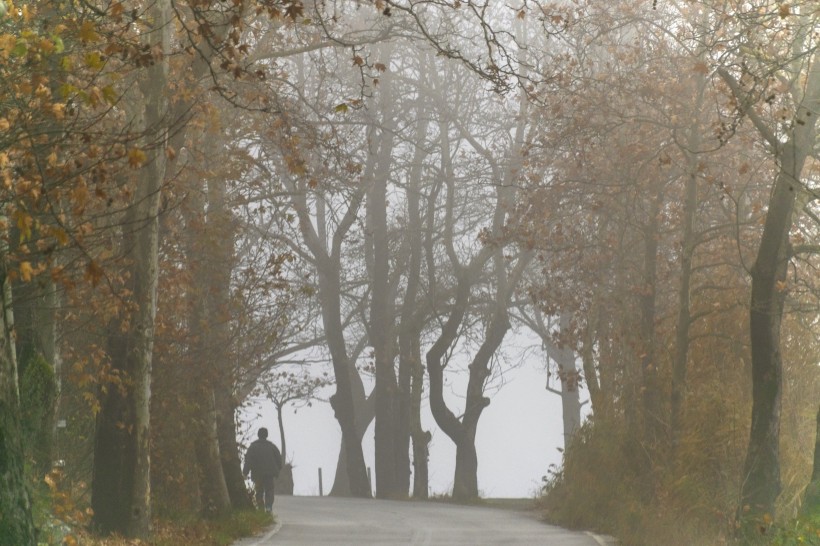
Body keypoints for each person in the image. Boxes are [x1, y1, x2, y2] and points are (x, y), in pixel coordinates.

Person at [243, 427, 283, 512]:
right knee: (269, 490)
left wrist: (245, 472)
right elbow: (279, 459)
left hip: (257, 473)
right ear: (266, 435)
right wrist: (278, 469)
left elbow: (248, 460)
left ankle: (260, 508)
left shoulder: (253, 447)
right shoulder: (272, 447)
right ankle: (268, 507)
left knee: (259, 490)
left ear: (258, 435)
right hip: (269, 474)